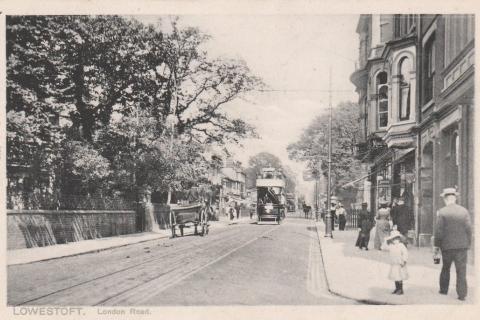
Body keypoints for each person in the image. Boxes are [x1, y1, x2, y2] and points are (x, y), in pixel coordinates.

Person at [434, 188, 472, 301]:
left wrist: (437, 245)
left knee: (445, 268)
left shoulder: (442, 212)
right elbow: (469, 229)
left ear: (445, 199)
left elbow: (439, 231)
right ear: (454, 198)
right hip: (462, 246)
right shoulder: (464, 211)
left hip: (447, 246)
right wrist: (468, 243)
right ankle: (462, 294)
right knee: (461, 270)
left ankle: (443, 290)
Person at [386, 230, 409, 295]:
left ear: (399, 238)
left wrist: (404, 260)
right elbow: (383, 246)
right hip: (394, 264)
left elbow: (405, 253)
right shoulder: (391, 246)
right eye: (394, 238)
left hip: (400, 264)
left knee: (399, 277)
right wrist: (388, 241)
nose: (395, 240)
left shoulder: (401, 245)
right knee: (395, 277)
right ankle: (397, 288)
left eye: (397, 238)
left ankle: (400, 289)